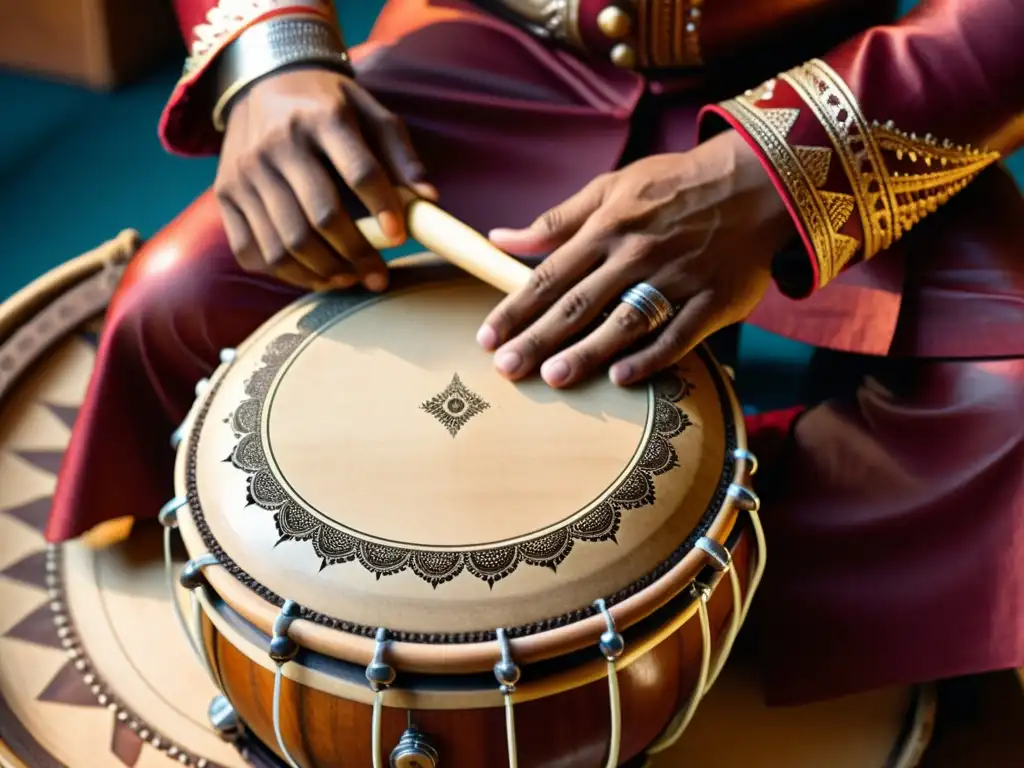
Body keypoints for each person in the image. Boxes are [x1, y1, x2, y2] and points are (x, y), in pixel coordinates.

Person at [46, 0, 1024, 708]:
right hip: (485, 56)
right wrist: (271, 53)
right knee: (175, 307)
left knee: (1008, 417)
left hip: (828, 83)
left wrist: (769, 177)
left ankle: (714, 591)